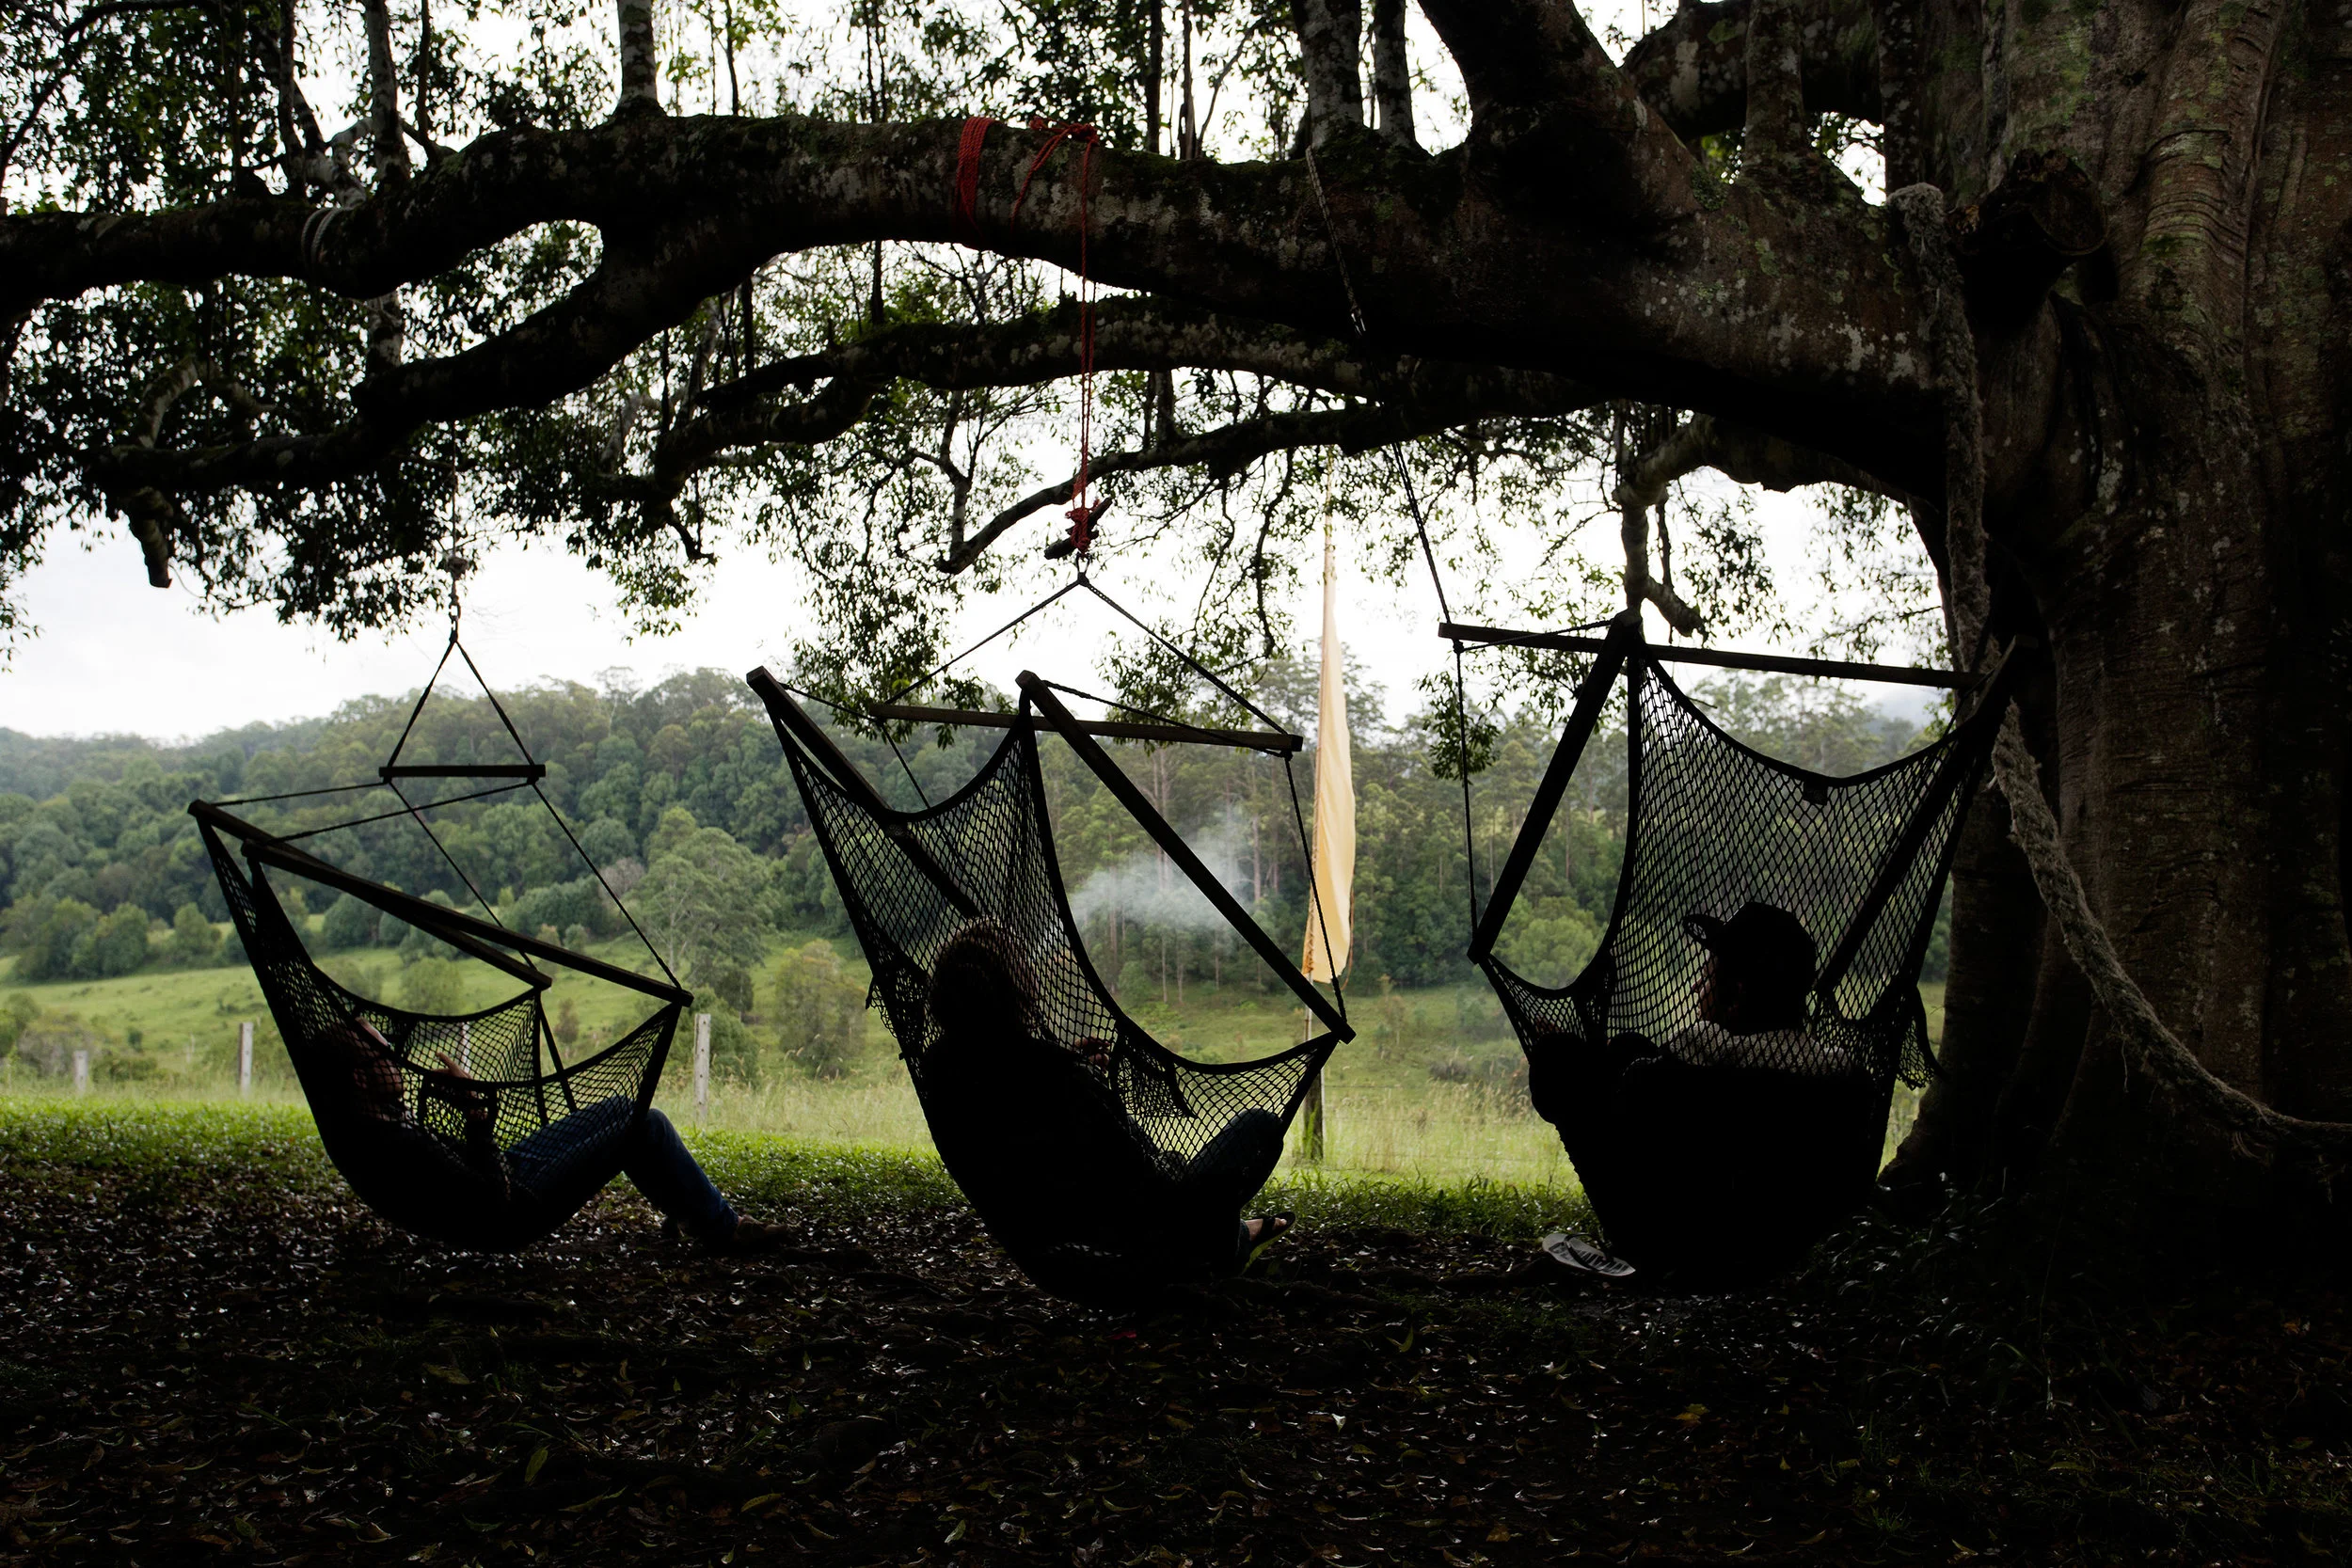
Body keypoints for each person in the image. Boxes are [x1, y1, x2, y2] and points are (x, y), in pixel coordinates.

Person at [918, 919, 1291, 1299]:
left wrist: (1077, 1070)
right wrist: (1088, 1083)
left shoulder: (939, 1069)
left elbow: (1015, 1097)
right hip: (1128, 1246)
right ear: (1014, 990)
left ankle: (1226, 1238)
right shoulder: (1058, 1075)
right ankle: (1228, 1246)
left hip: (1048, 1254)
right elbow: (1148, 1180)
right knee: (1260, 1126)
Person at [1525, 900, 1867, 1281]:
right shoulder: (1838, 1070)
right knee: (1629, 1047)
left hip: (1675, 1240)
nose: (1695, 988)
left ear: (1736, 993)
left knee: (1559, 1056)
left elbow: (1631, 1096)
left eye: (1705, 979)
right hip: (1783, 1240)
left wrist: (1582, 1060)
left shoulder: (1705, 1049)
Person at [310, 1016, 788, 1251]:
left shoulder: (374, 1127)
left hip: (506, 1169)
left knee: (623, 1107)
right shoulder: (396, 1145)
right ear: (360, 1079)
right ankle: (724, 1229)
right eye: (385, 1054)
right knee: (647, 1124)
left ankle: (690, 1213)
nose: (397, 1059)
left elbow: (461, 1173)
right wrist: (474, 1111)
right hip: (518, 1201)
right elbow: (493, 1204)